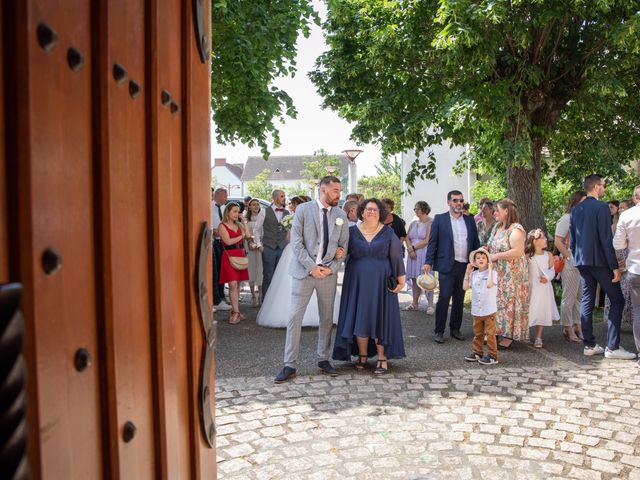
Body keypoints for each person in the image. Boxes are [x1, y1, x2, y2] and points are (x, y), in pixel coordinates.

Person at [274, 176, 349, 383]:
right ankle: (290, 364)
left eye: (340, 190)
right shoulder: (303, 210)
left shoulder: (341, 214)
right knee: (294, 317)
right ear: (323, 190)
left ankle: (323, 359)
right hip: (303, 272)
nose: (338, 195)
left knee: (326, 318)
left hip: (328, 275)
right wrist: (312, 267)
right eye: (335, 190)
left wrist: (331, 268)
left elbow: (344, 248)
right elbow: (297, 243)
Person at [333, 198, 406, 374]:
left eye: (375, 209)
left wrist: (401, 280)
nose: (371, 212)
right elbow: (342, 252)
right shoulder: (351, 231)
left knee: (381, 317)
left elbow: (396, 257)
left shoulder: (388, 233)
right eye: (368, 209)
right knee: (359, 317)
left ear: (380, 213)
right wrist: (338, 252)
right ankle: (363, 355)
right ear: (361, 212)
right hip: (356, 282)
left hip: (381, 282)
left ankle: (382, 357)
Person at [570, 174, 635, 359]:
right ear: (597, 187)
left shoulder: (576, 210)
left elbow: (573, 240)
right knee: (617, 299)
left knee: (587, 300)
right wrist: (614, 266)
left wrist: (577, 258)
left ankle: (589, 344)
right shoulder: (601, 208)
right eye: (604, 185)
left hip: (582, 261)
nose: (605, 188)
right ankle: (613, 347)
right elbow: (606, 239)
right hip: (600, 261)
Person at [257, 197, 342, 328]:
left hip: (297, 251)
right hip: (303, 252)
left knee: (289, 282)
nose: (290, 206)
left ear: (297, 205)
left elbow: (289, 239)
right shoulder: (311, 216)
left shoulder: (294, 217)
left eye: (292, 204)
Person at [422, 190, 480, 343]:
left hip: (464, 265)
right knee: (444, 297)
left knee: (459, 298)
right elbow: (433, 242)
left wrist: (477, 261)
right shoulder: (440, 219)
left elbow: (475, 243)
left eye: (460, 200)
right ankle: (439, 331)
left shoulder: (469, 220)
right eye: (455, 200)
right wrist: (428, 262)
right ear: (449, 202)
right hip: (447, 264)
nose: (458, 203)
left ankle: (455, 329)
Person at [487, 198, 529, 349]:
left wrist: (496, 256)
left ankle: (509, 335)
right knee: (497, 302)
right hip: (498, 272)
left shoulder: (516, 229)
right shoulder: (497, 226)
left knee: (510, 302)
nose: (494, 213)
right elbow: (492, 245)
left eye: (497, 210)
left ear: (507, 211)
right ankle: (497, 330)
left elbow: (517, 251)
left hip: (512, 273)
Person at [554, 191, 587, 342]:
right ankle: (568, 328)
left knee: (579, 297)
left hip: (581, 262)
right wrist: (568, 257)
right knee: (569, 297)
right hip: (571, 262)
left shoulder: (581, 219)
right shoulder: (566, 218)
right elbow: (557, 241)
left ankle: (577, 326)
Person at [613, 185, 640, 365]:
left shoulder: (627, 215)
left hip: (636, 268)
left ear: (635, 198)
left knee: (638, 312)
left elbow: (618, 245)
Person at [463, 248, 498, 365]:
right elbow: (465, 287)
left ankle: (493, 355)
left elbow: (489, 285)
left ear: (488, 260)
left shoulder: (493, 274)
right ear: (474, 261)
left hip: (489, 310)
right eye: (478, 258)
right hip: (477, 310)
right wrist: (467, 272)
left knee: (490, 334)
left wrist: (490, 269)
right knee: (478, 333)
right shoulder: (473, 274)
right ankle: (478, 352)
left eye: (483, 258)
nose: (481, 260)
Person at [525, 229, 559, 349]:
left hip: (544, 287)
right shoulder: (528, 256)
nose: (546, 240)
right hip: (532, 286)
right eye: (543, 238)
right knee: (530, 308)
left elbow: (552, 270)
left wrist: (548, 277)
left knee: (541, 310)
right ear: (535, 241)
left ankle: (538, 336)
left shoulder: (548, 255)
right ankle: (526, 333)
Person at [218, 203, 250, 324]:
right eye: (234, 211)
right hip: (229, 256)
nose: (237, 214)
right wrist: (241, 236)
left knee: (237, 285)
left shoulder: (240, 225)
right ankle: (236, 313)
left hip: (240, 255)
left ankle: (235, 310)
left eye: (238, 212)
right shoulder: (222, 226)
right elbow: (228, 241)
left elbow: (248, 235)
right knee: (232, 284)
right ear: (228, 212)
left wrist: (245, 223)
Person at [253, 189, 289, 296]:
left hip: (282, 248)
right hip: (268, 248)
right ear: (275, 198)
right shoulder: (264, 211)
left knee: (281, 277)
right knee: (268, 276)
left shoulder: (287, 213)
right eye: (282, 196)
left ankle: (277, 301)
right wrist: (259, 245)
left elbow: (288, 231)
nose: (284, 198)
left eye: (284, 196)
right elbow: (256, 229)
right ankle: (266, 303)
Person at [605, 198, 633, 326]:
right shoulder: (613, 224)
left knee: (629, 291)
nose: (621, 210)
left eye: (623, 208)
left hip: (630, 257)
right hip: (617, 258)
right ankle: (615, 319)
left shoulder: (632, 222)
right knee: (617, 289)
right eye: (620, 208)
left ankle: (629, 319)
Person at [405, 201, 434, 313]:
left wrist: (413, 248)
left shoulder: (430, 222)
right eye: (415, 208)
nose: (415, 210)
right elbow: (407, 237)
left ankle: (430, 304)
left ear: (424, 209)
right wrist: (409, 249)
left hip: (424, 252)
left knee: (427, 277)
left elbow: (427, 240)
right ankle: (414, 303)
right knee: (414, 278)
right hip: (412, 253)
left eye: (417, 208)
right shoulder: (413, 223)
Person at [211, 187, 232, 311]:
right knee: (215, 271)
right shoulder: (208, 206)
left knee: (222, 270)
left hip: (223, 243)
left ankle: (221, 296)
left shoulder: (224, 209)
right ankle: (216, 299)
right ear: (218, 195)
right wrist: (213, 231)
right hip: (213, 242)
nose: (226, 198)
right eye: (225, 196)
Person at [244, 198, 264, 307]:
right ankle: (253, 296)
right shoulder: (246, 218)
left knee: (260, 270)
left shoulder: (263, 217)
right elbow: (245, 233)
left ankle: (261, 296)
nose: (256, 206)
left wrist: (261, 244)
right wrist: (250, 243)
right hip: (249, 246)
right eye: (254, 204)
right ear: (249, 206)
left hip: (261, 247)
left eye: (257, 204)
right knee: (251, 270)